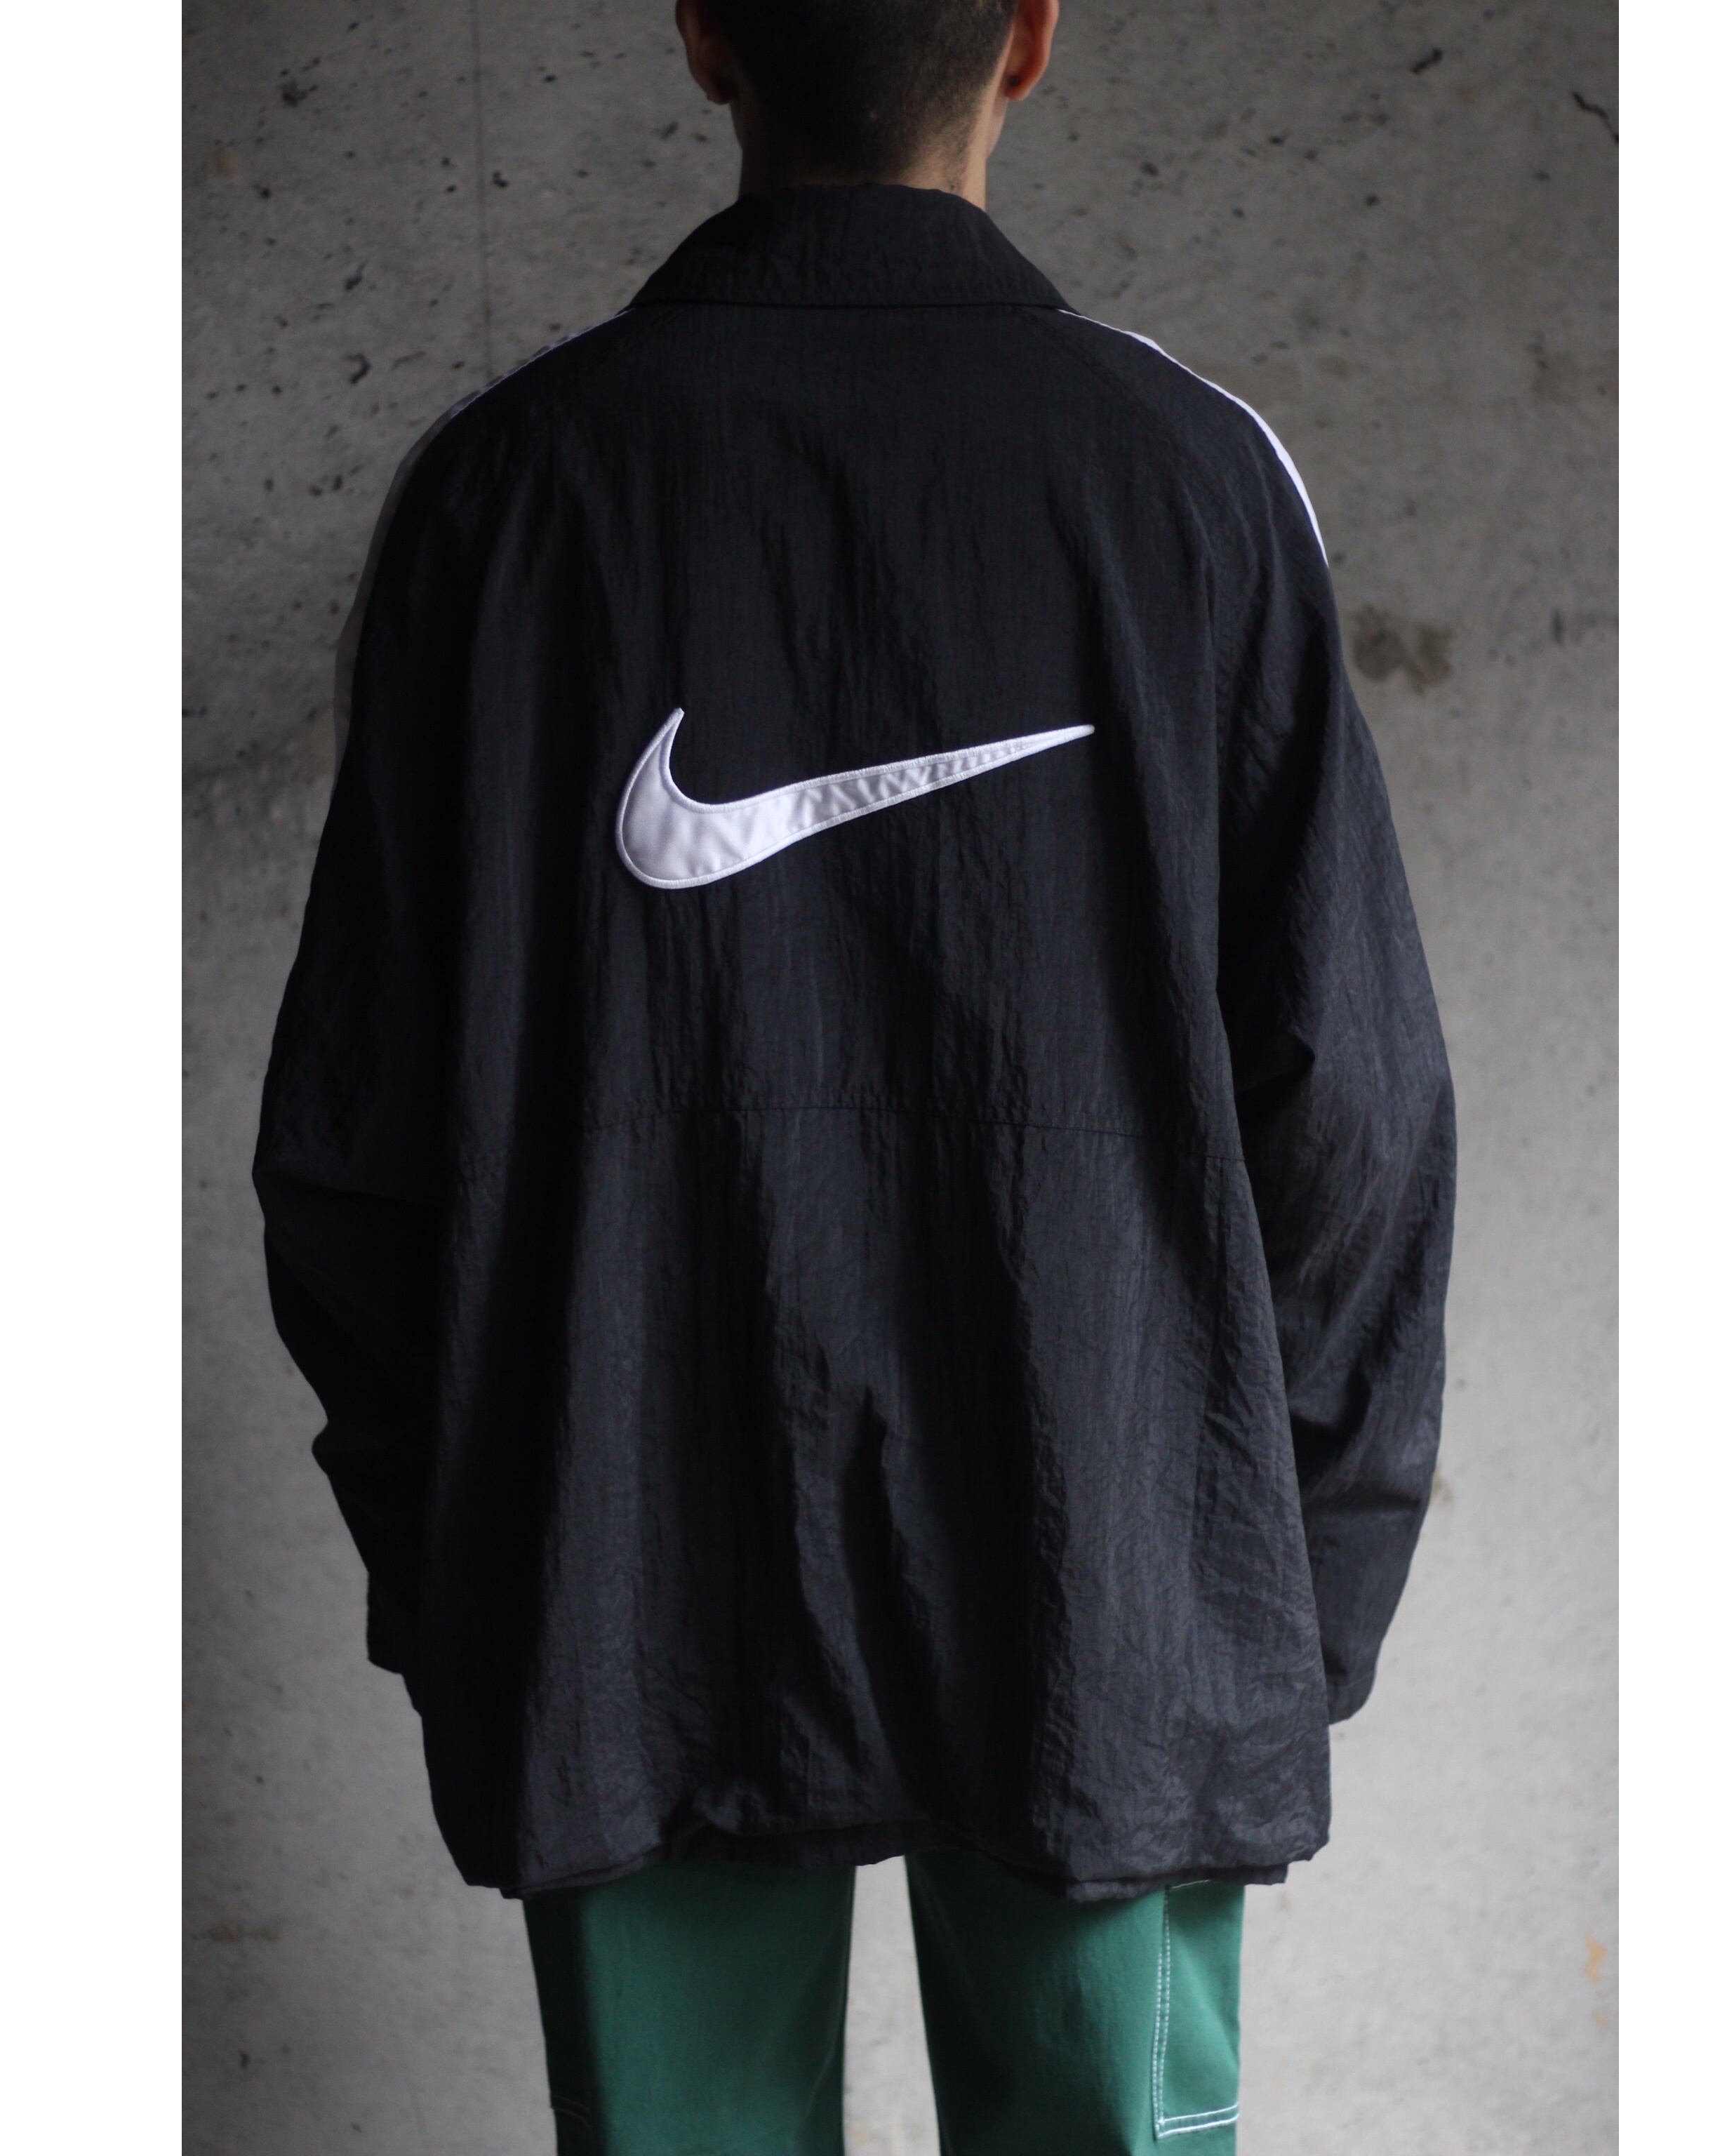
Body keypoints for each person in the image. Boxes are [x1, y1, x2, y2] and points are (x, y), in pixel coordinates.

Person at [254, 0, 1456, 2146]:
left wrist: (480, 1574)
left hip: (621, 1557)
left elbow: (356, 1145)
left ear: (704, 38)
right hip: (1114, 1563)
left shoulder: (507, 494)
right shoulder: (1195, 481)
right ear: (1031, 38)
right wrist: (1286, 1595)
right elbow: (1351, 1120)